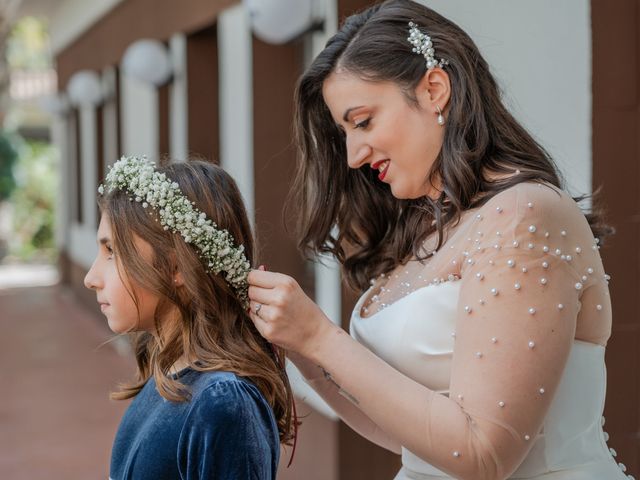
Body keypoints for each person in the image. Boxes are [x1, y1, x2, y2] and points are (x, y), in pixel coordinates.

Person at [246, 1, 633, 479]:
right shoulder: (427, 229)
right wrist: (302, 350)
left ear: (434, 89)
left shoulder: (522, 214)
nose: (351, 155)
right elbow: (409, 437)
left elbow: (484, 454)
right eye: (343, 132)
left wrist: (321, 337)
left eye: (362, 121)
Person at [84, 156, 295, 480]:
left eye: (111, 251)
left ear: (177, 265)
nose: (91, 277)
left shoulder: (223, 403)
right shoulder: (169, 377)